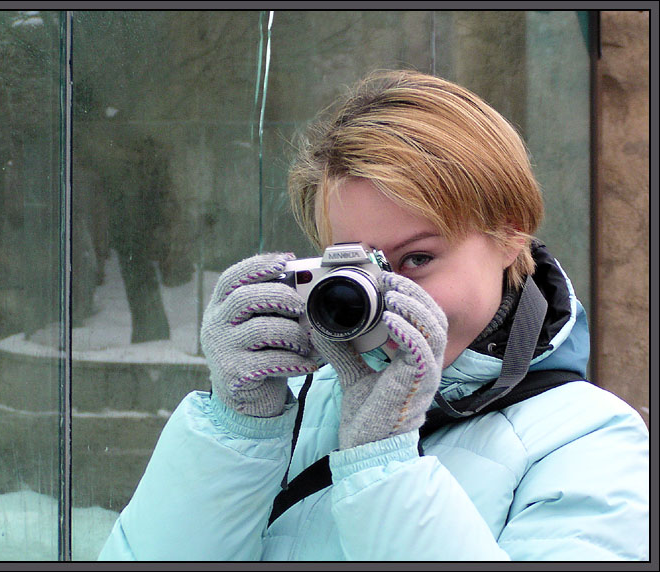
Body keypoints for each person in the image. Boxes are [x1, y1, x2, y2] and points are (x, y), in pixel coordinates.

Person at [98, 70, 649, 561]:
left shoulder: (591, 442)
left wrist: (383, 463)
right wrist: (237, 434)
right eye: (362, 266)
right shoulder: (296, 404)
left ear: (510, 234)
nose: (388, 297)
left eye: (418, 259)